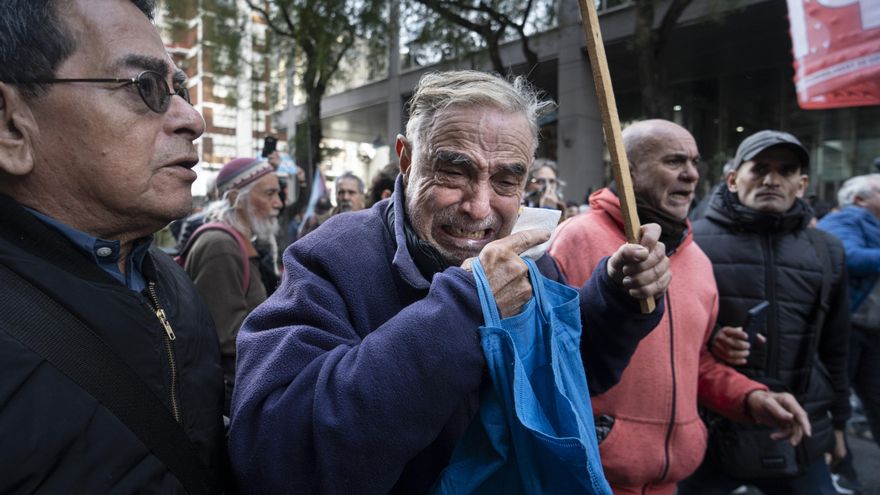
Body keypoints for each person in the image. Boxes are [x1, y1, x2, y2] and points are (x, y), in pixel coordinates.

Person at [229, 70, 673, 493]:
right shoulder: (333, 256)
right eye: (454, 172)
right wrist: (465, 310)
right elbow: (277, 457)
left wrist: (616, 297)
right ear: (405, 158)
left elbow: (569, 375)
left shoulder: (527, 260)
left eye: (505, 180)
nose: (479, 209)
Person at [0, 0, 226, 492]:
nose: (193, 119)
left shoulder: (173, 285)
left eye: (180, 89)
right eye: (145, 87)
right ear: (11, 127)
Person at [549, 120, 810, 495]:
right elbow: (544, 358)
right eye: (674, 162)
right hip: (586, 478)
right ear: (628, 168)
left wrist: (751, 397)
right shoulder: (575, 237)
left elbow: (695, 361)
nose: (691, 175)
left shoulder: (698, 260)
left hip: (670, 482)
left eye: (694, 162)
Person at [681, 130, 851, 495]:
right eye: (759, 168)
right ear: (732, 179)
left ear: (802, 184)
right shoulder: (690, 241)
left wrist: (839, 425)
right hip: (710, 429)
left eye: (786, 170)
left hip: (798, 431)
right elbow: (667, 333)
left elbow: (836, 346)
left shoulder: (828, 251)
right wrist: (712, 341)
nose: (772, 180)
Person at [182, 157, 282, 414]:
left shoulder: (238, 241)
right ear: (237, 197)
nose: (278, 203)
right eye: (270, 194)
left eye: (278, 193)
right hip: (230, 397)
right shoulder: (221, 245)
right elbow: (227, 337)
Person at [817, 173, 880, 492]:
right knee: (835, 401)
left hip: (869, 329)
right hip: (850, 328)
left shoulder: (870, 221)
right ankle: (841, 471)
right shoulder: (849, 218)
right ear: (860, 199)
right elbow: (847, 254)